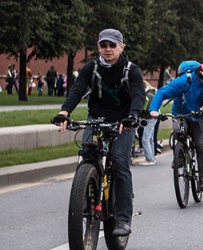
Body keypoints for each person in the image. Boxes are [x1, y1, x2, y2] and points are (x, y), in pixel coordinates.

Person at [54, 29, 146, 237]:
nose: (108, 50)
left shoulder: (132, 70)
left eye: (112, 45)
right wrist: (64, 111)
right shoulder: (91, 67)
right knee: (87, 155)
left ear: (121, 47)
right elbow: (77, 89)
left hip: (124, 121)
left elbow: (138, 94)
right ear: (98, 48)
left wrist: (133, 116)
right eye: (103, 45)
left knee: (120, 160)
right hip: (96, 118)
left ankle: (123, 217)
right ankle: (85, 194)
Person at [149, 61, 203, 193]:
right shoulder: (184, 81)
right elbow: (162, 92)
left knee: (201, 146)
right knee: (178, 131)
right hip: (181, 113)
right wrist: (154, 109)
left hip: (198, 115)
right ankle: (179, 155)